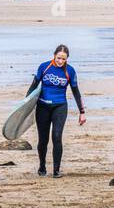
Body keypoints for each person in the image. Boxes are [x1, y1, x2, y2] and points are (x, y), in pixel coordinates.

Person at [28, 44, 86, 178]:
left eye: (63, 59)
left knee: (57, 136)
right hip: (42, 107)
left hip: (60, 107)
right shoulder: (44, 67)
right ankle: (42, 166)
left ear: (67, 59)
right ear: (54, 55)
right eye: (59, 58)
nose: (60, 61)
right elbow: (33, 87)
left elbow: (76, 92)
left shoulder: (70, 71)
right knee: (43, 140)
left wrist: (82, 112)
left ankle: (56, 170)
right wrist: (24, 107)